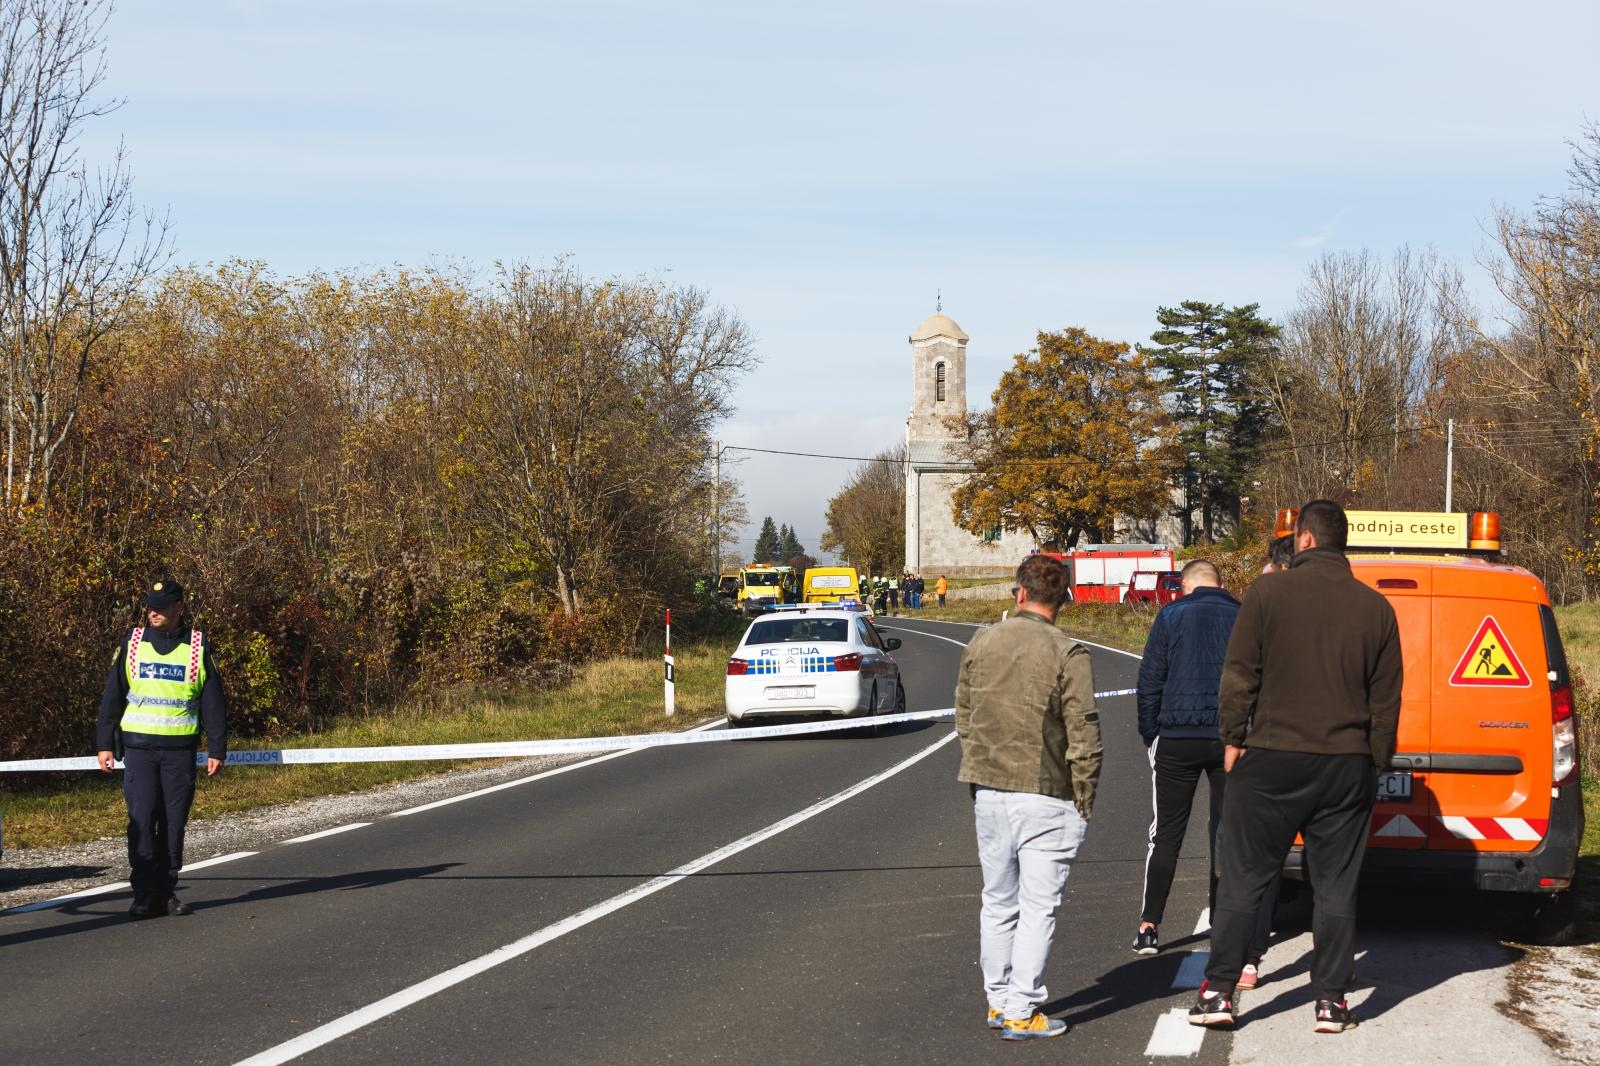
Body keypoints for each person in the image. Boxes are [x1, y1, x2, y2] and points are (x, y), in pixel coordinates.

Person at [1191, 501, 1402, 1033]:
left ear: (1304, 539)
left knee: (1245, 878)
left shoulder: (1268, 594)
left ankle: (1218, 993)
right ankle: (1332, 1001)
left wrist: (1232, 737)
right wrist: (1376, 760)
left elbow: (1240, 674)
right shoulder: (1376, 608)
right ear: (1341, 543)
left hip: (1271, 757)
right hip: (1345, 764)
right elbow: (1386, 699)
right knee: (1335, 886)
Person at [956, 554, 1102, 1041]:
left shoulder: (982, 641)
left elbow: (964, 712)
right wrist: (1084, 796)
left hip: (989, 788)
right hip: (1047, 791)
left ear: (1019, 592)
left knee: (998, 901)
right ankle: (1021, 1007)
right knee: (1038, 906)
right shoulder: (1069, 653)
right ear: (1063, 599)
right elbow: (1083, 732)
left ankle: (999, 1001)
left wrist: (979, 762)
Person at [97, 577, 227, 919]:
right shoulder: (133, 643)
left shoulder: (198, 646)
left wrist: (217, 748)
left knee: (173, 822)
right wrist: (104, 743)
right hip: (139, 749)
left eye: (160, 607)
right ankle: (143, 894)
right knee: (141, 820)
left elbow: (213, 701)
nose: (152, 613)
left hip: (179, 752)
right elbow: (113, 694)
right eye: (150, 607)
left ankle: (166, 891)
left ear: (178, 607)